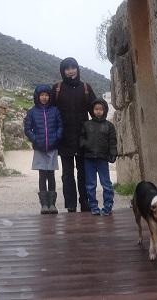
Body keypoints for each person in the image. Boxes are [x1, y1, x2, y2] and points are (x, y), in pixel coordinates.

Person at [52, 57, 96, 213]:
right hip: (64, 138)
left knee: (83, 172)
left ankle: (85, 202)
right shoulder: (57, 88)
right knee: (67, 174)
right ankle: (70, 204)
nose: (71, 71)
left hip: (83, 137)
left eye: (73, 67)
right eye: (67, 68)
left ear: (77, 68)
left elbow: (96, 111)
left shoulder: (86, 88)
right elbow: (50, 112)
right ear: (62, 71)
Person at [23, 83, 63, 214]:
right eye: (42, 95)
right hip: (40, 148)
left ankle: (52, 204)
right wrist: (36, 140)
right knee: (42, 175)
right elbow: (28, 129)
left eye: (46, 95)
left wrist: (56, 138)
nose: (44, 97)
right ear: (37, 96)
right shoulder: (32, 112)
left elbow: (60, 126)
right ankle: (44, 204)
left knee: (51, 175)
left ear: (50, 96)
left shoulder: (55, 111)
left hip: (52, 148)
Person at [80, 98, 117, 215]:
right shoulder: (86, 125)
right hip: (89, 158)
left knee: (106, 184)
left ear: (105, 110)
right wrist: (85, 145)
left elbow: (112, 141)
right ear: (92, 110)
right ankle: (93, 206)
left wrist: (113, 153)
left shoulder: (109, 126)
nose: (98, 111)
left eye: (101, 109)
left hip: (102, 158)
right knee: (90, 184)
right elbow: (81, 138)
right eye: (96, 109)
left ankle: (108, 206)